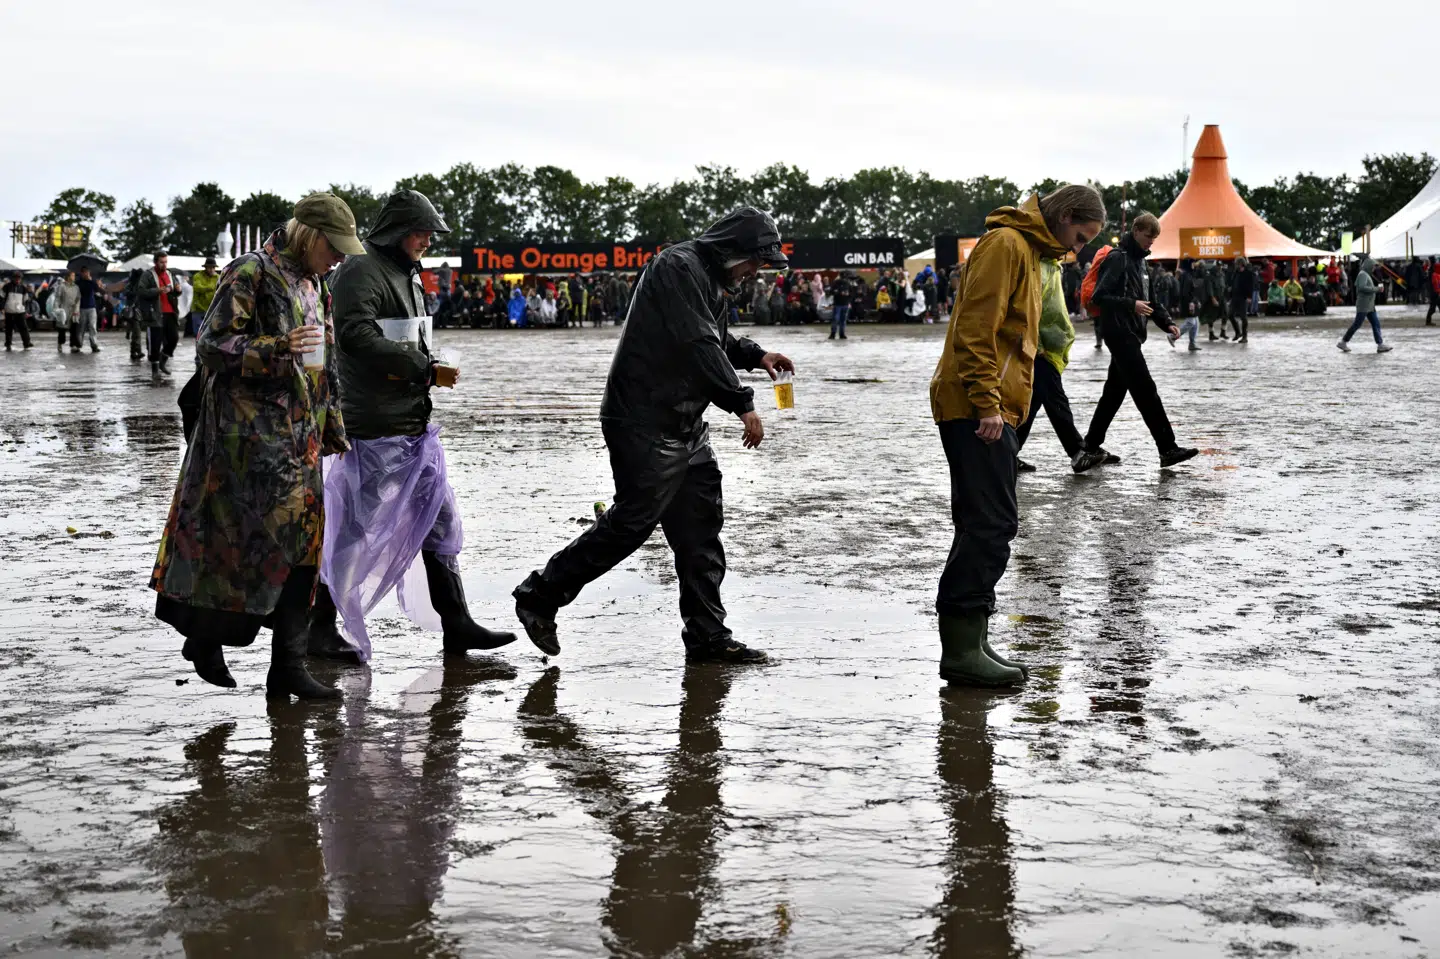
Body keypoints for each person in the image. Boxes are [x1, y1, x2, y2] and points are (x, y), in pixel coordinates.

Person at [513, 207, 795, 664]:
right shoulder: (677, 267)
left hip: (685, 425)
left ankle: (707, 636)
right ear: (732, 249)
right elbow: (697, 343)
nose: (757, 271)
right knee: (630, 524)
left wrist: (756, 354)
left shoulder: (712, 279)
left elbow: (715, 338)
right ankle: (539, 594)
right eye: (756, 260)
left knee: (701, 532)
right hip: (642, 420)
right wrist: (742, 402)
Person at [151, 193, 363, 699]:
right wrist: (274, 348)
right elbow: (211, 345)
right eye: (332, 247)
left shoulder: (318, 284)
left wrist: (332, 424)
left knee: (305, 549)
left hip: (300, 440)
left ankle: (287, 665)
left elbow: (324, 362)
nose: (338, 257)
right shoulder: (251, 272)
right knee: (241, 547)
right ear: (310, 236)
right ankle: (204, 638)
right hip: (246, 442)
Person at [308, 189, 517, 665]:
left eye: (429, 233)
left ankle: (457, 622)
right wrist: (422, 368)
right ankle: (317, 626)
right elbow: (355, 335)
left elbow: (408, 338)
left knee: (439, 520)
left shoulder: (408, 274)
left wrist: (429, 365)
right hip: (374, 428)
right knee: (355, 532)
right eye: (421, 232)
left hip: (413, 426)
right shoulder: (361, 270)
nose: (427, 240)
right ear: (398, 231)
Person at [930, 184, 1106, 688]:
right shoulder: (1007, 245)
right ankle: (962, 650)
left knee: (986, 523)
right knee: (990, 525)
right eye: (1080, 235)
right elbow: (974, 329)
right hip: (975, 406)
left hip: (990, 405)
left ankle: (972, 639)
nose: (1079, 248)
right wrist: (987, 402)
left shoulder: (1028, 249)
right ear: (1066, 215)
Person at [1078, 213, 1199, 471]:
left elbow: (1152, 302)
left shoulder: (1142, 264)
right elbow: (1100, 296)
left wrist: (1167, 323)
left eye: (1154, 238)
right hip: (1120, 335)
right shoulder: (1118, 259)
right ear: (1135, 231)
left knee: (1113, 395)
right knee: (1146, 390)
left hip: (1131, 335)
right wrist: (1130, 305)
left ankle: (1088, 449)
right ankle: (1167, 448)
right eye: (1147, 237)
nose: (1151, 243)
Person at [1014, 254, 1103, 473]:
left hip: (1045, 346)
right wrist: (1038, 344)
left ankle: (1007, 453)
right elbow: (1032, 309)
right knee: (1054, 399)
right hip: (1041, 348)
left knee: (1036, 400)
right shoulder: (1040, 266)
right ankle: (1077, 451)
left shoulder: (1051, 266)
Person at [135, 251, 182, 380]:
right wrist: (158, 290)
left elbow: (175, 291)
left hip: (170, 312)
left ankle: (163, 361)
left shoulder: (169, 274)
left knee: (173, 339)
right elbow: (141, 291)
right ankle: (155, 370)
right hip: (155, 313)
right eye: (162, 262)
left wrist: (178, 290)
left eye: (166, 262)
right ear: (156, 262)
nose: (164, 264)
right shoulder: (148, 275)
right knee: (155, 343)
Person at [1337, 255, 1393, 353]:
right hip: (1364, 305)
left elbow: (1363, 287)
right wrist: (1376, 289)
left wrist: (1375, 289)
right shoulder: (1363, 274)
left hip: (1369, 305)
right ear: (1368, 265)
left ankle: (1380, 344)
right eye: (1373, 266)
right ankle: (1343, 342)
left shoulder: (1364, 274)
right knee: (1357, 324)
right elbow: (1362, 288)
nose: (1374, 268)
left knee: (1375, 324)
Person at [74, 266, 104, 351]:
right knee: (81, 327)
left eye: (88, 272)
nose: (87, 274)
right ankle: (79, 344)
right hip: (82, 307)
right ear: (82, 273)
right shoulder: (78, 283)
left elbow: (98, 290)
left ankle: (94, 344)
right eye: (85, 272)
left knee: (92, 326)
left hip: (92, 307)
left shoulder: (92, 282)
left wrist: (95, 283)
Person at [189, 257, 220, 337]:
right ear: (205, 267)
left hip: (211, 309)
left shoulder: (218, 277)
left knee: (210, 334)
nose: (212, 269)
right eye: (210, 267)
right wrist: (211, 287)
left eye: (213, 267)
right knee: (198, 334)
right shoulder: (198, 276)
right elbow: (197, 288)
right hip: (198, 308)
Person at [52, 271, 81, 351]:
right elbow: (57, 298)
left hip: (73, 311)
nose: (74, 277)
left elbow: (78, 299)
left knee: (74, 328)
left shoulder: (76, 287)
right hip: (63, 310)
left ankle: (73, 345)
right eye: (73, 275)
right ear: (68, 277)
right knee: (62, 329)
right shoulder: (61, 286)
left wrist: (76, 309)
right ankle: (60, 343)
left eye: (74, 275)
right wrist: (56, 309)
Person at [3, 272, 32, 350]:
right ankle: (8, 344)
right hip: (9, 310)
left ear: (21, 279)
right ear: (13, 278)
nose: (17, 280)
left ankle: (27, 343)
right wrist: (2, 308)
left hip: (20, 311)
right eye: (16, 278)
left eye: (19, 278)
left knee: (24, 328)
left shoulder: (23, 288)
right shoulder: (7, 287)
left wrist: (26, 310)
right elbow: (1, 298)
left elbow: (26, 300)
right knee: (9, 328)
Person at [1229, 257, 1254, 341]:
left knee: (1243, 317)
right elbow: (1233, 283)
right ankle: (1238, 332)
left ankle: (1244, 336)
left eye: (1237, 263)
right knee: (1230, 314)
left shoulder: (1248, 273)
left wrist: (1249, 297)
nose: (1236, 265)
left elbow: (1251, 286)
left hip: (1243, 297)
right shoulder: (1235, 273)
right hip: (1234, 297)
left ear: (1241, 264)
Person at [829, 271, 851, 339]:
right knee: (836, 319)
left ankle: (842, 334)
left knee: (843, 320)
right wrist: (839, 293)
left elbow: (851, 292)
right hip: (838, 304)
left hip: (845, 304)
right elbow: (831, 292)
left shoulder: (847, 283)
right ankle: (833, 334)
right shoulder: (836, 283)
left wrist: (848, 296)